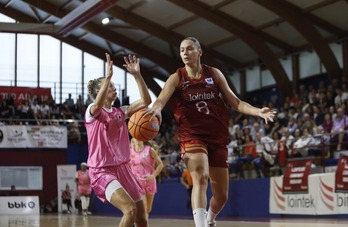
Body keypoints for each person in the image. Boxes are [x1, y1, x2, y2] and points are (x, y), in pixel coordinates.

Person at [144, 37, 276, 227]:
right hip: (192, 136)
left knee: (221, 196)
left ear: (200, 52)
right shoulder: (177, 77)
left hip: (217, 137)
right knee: (199, 176)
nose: (185, 53)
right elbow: (161, 99)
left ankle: (210, 219)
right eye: (182, 50)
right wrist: (156, 108)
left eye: (189, 49)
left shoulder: (214, 74)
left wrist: (257, 111)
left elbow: (236, 102)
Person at [85, 53, 151, 227]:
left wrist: (137, 75)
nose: (114, 88)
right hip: (101, 171)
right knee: (129, 209)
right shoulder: (92, 112)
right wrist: (108, 77)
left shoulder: (120, 112)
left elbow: (146, 100)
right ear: (99, 92)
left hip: (123, 168)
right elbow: (98, 106)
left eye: (113, 85)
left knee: (142, 219)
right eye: (110, 86)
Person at [129, 138, 164, 219]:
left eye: (139, 136)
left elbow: (160, 164)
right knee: (143, 207)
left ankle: (141, 223)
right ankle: (137, 223)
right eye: (135, 136)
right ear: (133, 139)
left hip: (150, 182)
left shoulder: (149, 150)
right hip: (137, 182)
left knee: (148, 209)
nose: (137, 138)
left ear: (143, 138)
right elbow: (126, 167)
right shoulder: (130, 152)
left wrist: (153, 175)